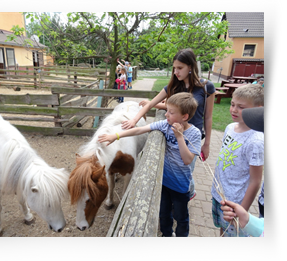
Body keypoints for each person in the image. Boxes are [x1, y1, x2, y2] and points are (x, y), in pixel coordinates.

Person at [98, 93, 201, 237]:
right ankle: (166, 233)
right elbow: (140, 129)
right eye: (166, 111)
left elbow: (187, 160)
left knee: (181, 216)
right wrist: (115, 136)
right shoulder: (165, 125)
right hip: (164, 183)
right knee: (164, 213)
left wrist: (179, 137)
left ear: (184, 116)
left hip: (181, 186)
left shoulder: (195, 134)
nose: (166, 115)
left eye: (171, 112)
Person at [121, 48, 215, 199]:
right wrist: (134, 120)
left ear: (190, 67)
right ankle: (174, 197)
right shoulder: (173, 86)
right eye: (174, 68)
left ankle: (187, 194)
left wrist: (207, 143)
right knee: (173, 169)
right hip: (173, 134)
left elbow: (208, 117)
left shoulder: (206, 87)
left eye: (180, 68)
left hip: (192, 136)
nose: (176, 72)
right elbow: (150, 104)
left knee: (187, 168)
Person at [211, 84, 264, 237]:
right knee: (223, 228)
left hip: (235, 202)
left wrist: (243, 211)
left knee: (234, 232)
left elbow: (255, 181)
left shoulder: (256, 141)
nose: (234, 110)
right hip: (219, 194)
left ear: (258, 109)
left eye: (241, 107)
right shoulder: (230, 127)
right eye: (233, 104)